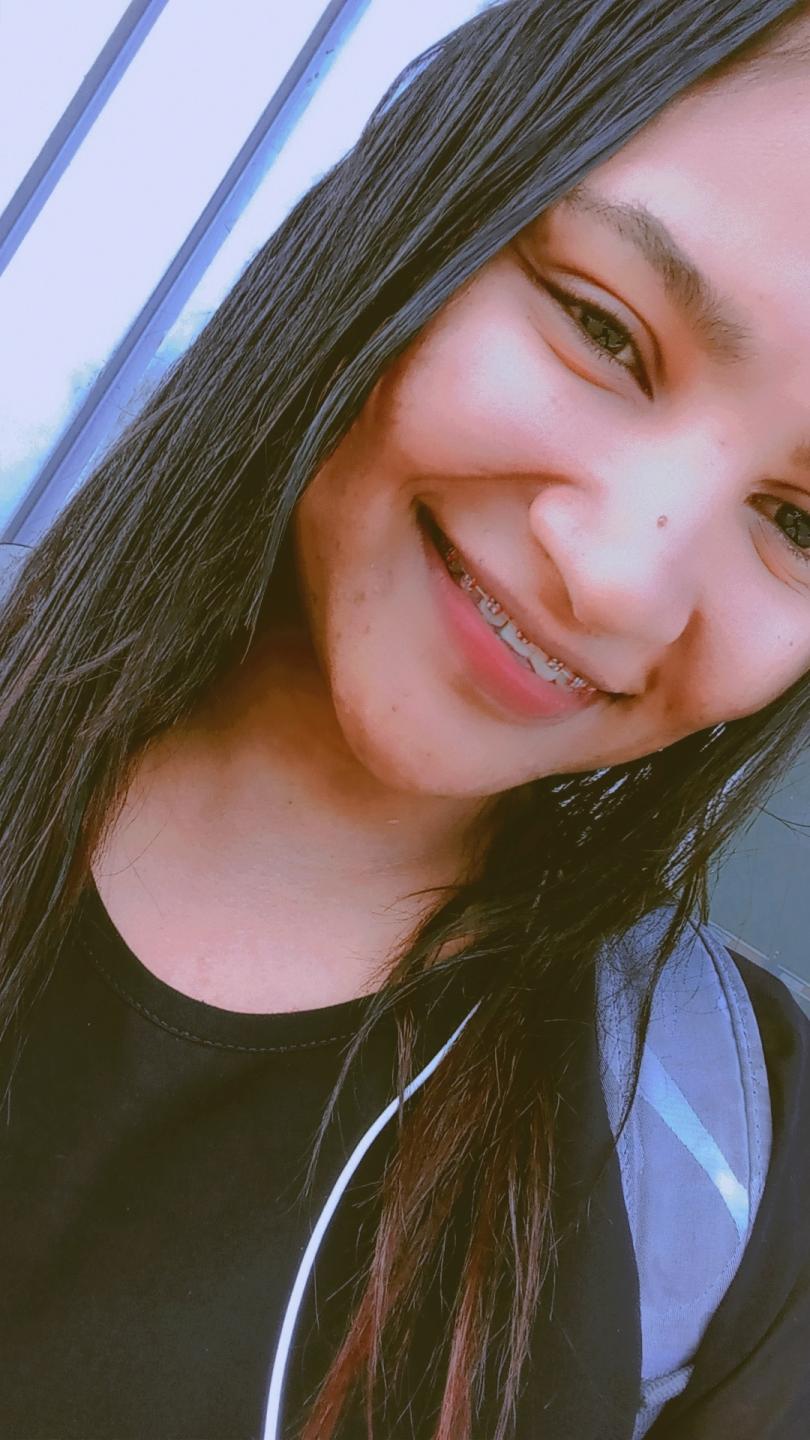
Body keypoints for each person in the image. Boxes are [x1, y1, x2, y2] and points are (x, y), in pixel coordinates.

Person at [1, 0, 809, 1435]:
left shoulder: (730, 1168)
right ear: (426, 202)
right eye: (602, 330)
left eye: (798, 524)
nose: (619, 580)